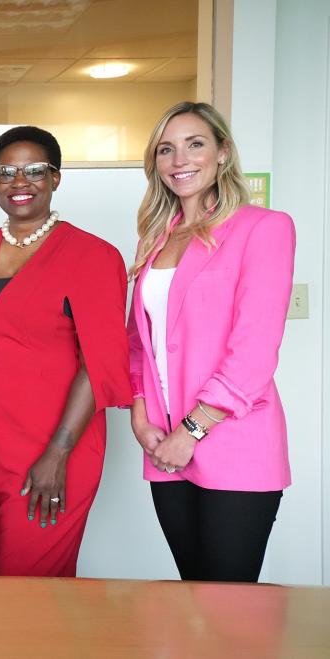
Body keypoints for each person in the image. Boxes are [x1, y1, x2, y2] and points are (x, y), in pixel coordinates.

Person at [0, 126, 132, 577]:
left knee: (30, 588)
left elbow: (98, 362)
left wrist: (57, 453)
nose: (19, 181)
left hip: (51, 442)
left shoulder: (93, 255)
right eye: (6, 171)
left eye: (34, 170)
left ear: (56, 178)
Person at [127, 101, 294, 582]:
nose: (180, 160)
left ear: (222, 152)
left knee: (229, 604)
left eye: (195, 144)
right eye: (166, 149)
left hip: (233, 440)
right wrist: (140, 414)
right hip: (163, 445)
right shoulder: (154, 240)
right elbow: (139, 341)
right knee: (193, 596)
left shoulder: (264, 228)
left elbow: (254, 351)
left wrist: (192, 431)